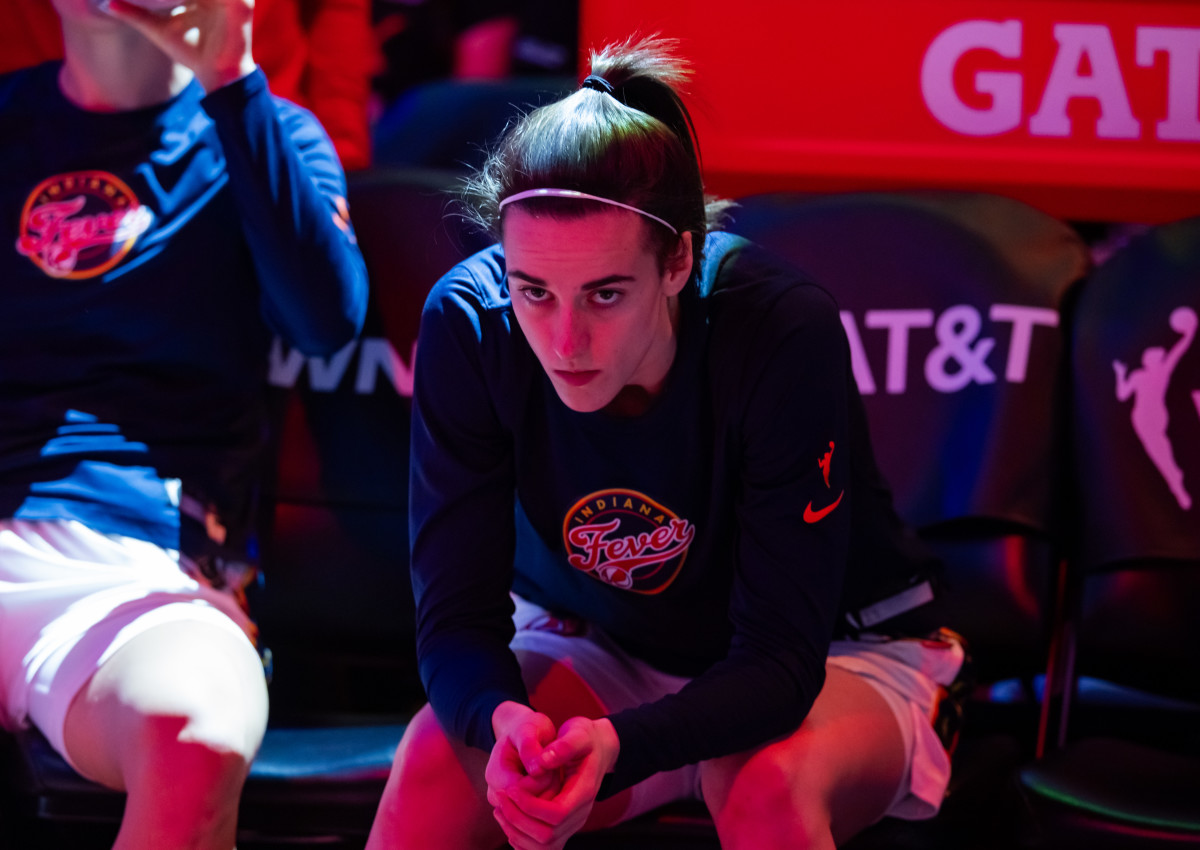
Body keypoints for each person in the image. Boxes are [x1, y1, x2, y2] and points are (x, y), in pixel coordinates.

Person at [366, 36, 963, 850]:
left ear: (679, 259)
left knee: (758, 781)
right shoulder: (470, 324)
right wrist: (502, 719)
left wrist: (623, 745)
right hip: (606, 640)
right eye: (534, 290)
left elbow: (781, 664)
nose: (564, 338)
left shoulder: (780, 329)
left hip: (838, 651)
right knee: (442, 753)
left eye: (605, 294)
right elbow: (456, 622)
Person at [0, 0, 368, 847]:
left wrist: (230, 80)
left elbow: (323, 323)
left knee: (195, 736)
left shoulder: (264, 127)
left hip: (149, 569)